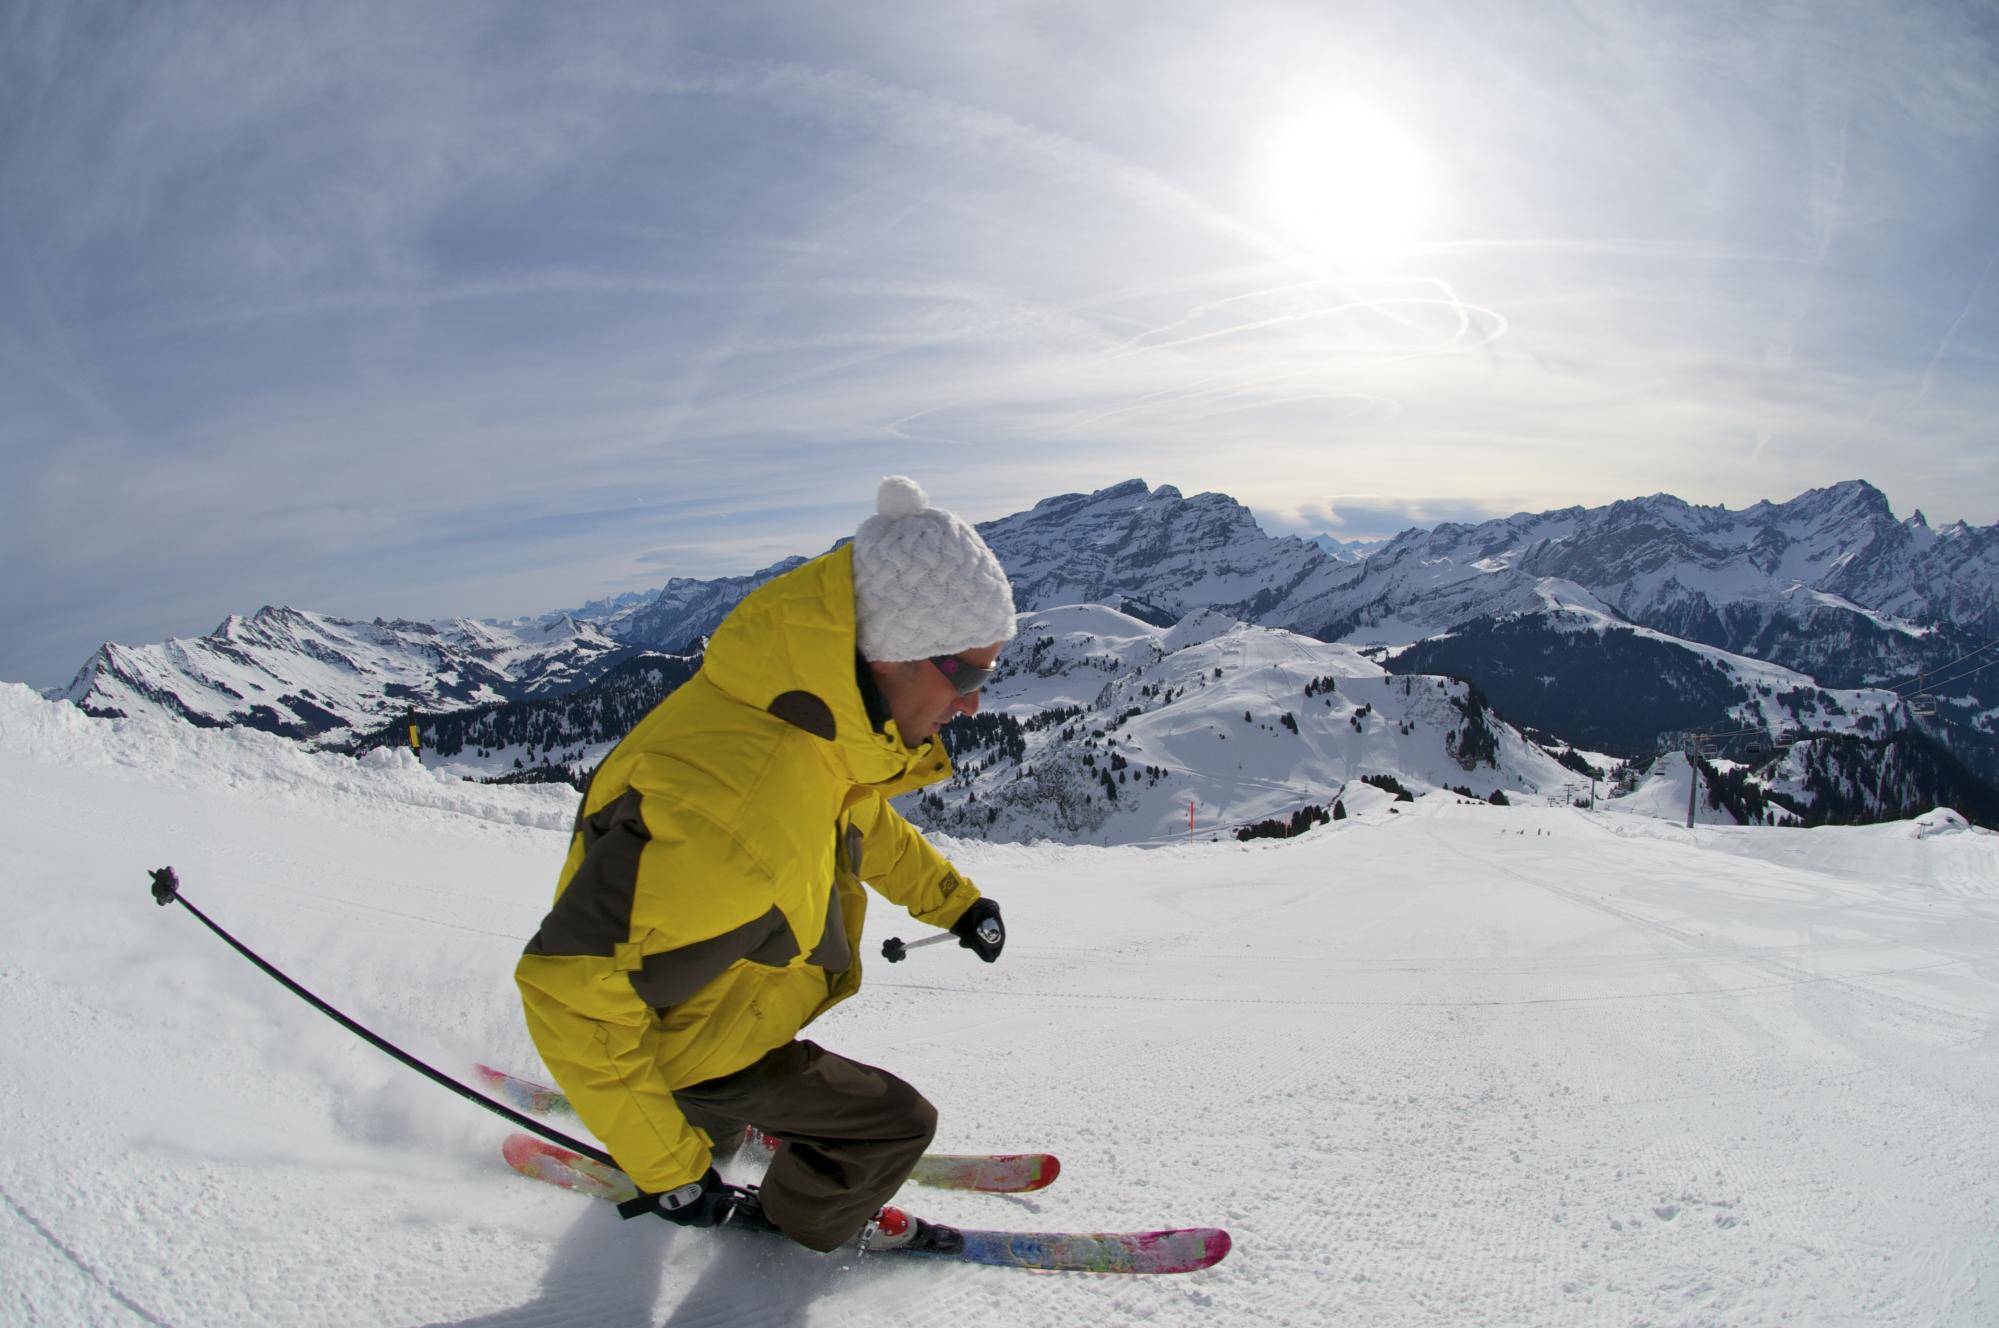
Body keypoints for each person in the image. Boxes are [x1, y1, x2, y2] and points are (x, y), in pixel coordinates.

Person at [515, 475, 1014, 1255]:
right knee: (898, 1125)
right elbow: (568, 994)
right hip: (708, 1045)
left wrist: (954, 902)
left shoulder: (804, 727)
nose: (976, 704)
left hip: (721, 1015)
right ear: (893, 655)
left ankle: (698, 1126)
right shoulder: (731, 810)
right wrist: (665, 1170)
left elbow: (858, 824)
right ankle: (800, 1218)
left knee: (710, 1090)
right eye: (971, 676)